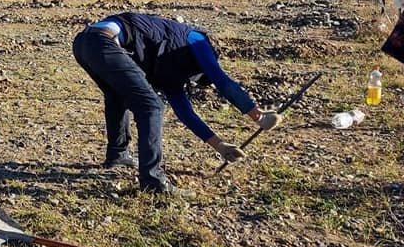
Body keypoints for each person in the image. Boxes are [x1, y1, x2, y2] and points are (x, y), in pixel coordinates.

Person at [73, 12, 280, 196]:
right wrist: (259, 117)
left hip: (84, 43)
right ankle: (153, 181)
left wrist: (220, 146)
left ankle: (118, 155)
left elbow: (185, 113)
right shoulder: (196, 39)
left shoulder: (171, 74)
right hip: (103, 40)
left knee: (118, 96)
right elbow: (223, 82)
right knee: (152, 107)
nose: (191, 80)